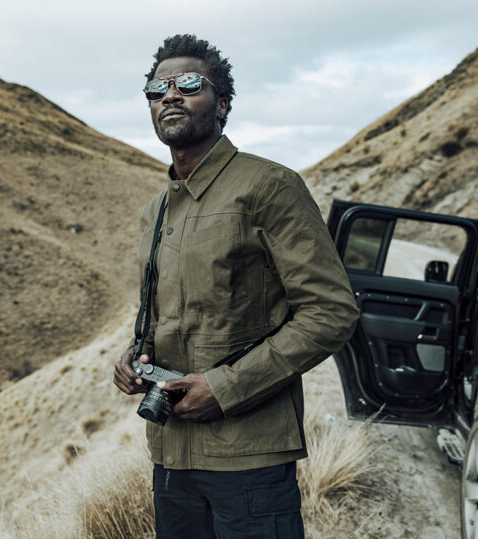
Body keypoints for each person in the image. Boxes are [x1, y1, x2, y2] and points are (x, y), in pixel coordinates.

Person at [113, 34, 359, 538]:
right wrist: (134, 356)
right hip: (170, 457)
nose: (170, 96)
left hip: (248, 462)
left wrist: (224, 388)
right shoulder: (154, 212)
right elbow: (173, 314)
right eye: (157, 89)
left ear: (222, 103)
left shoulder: (269, 186)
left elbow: (331, 312)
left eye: (188, 84)